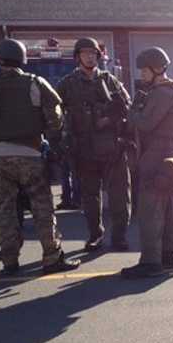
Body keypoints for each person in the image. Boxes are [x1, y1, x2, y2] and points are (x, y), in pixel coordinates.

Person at [0, 39, 80, 275]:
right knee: (42, 209)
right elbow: (56, 115)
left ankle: (10, 261)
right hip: (31, 154)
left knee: (4, 210)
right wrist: (52, 141)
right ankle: (51, 258)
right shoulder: (35, 83)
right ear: (22, 59)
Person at [57, 38, 132, 252]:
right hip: (84, 148)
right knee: (90, 197)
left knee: (119, 195)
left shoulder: (111, 81)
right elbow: (54, 112)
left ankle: (119, 236)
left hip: (113, 148)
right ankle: (95, 235)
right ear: (78, 56)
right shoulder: (68, 83)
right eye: (85, 53)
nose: (90, 56)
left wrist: (111, 119)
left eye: (93, 53)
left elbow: (128, 108)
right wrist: (61, 140)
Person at [121, 47, 173, 278]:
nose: (141, 74)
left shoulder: (161, 92)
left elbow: (146, 123)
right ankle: (166, 255)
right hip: (168, 151)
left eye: (144, 70)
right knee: (165, 206)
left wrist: (130, 112)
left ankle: (151, 261)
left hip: (157, 152)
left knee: (149, 208)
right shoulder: (172, 89)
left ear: (157, 69)